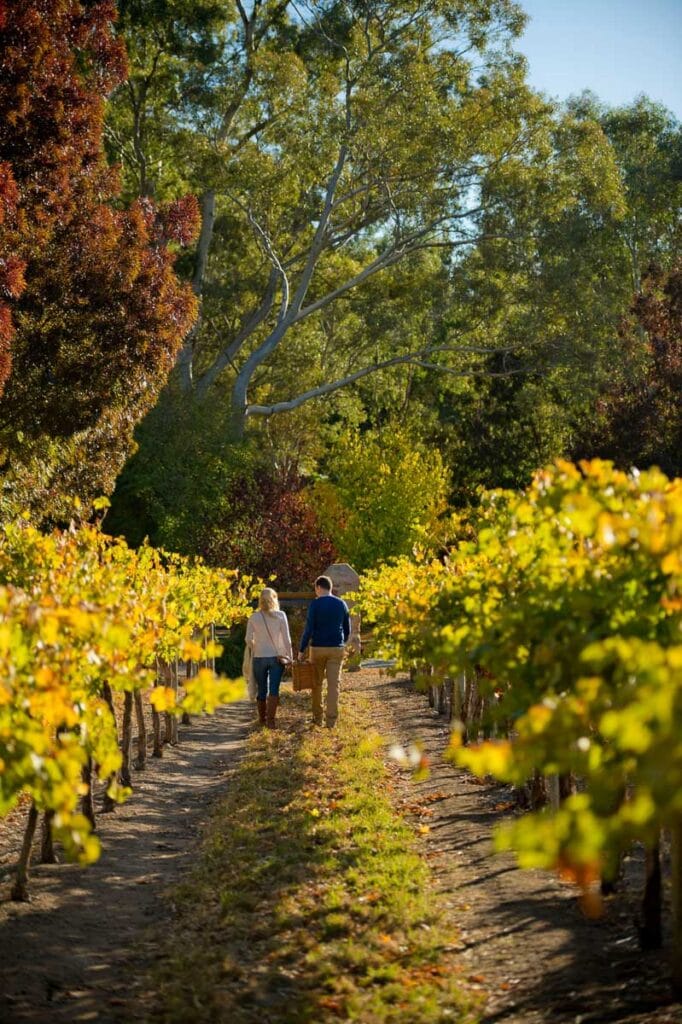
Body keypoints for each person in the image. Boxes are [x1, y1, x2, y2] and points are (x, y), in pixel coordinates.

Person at [299, 575, 351, 728]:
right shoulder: (341, 604)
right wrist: (343, 642)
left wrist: (301, 649)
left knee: (316, 684)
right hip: (336, 648)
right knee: (334, 685)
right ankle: (331, 721)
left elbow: (308, 629)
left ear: (318, 588)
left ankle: (317, 718)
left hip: (318, 648)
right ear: (330, 587)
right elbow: (347, 628)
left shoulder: (315, 605)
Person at [245, 588, 293, 728]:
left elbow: (248, 639)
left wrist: (256, 645)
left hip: (259, 657)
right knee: (274, 689)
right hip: (276, 658)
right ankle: (271, 721)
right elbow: (287, 639)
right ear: (274, 599)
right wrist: (290, 656)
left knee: (261, 689)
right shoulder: (280, 615)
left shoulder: (254, 617)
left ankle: (262, 719)